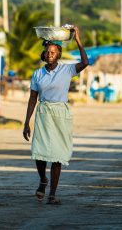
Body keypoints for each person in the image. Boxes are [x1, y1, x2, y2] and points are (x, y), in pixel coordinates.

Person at [23, 26, 88, 205]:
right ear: (44, 54)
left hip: (61, 113)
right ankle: (43, 179)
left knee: (58, 155)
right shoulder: (37, 74)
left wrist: (78, 40)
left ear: (58, 54)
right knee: (40, 153)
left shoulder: (67, 70)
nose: (50, 54)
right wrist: (26, 122)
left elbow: (85, 62)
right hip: (44, 113)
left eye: (53, 51)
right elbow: (32, 99)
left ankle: (52, 194)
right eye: (47, 51)